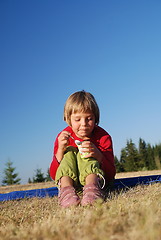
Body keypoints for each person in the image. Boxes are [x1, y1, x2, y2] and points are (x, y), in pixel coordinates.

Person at [49, 90, 116, 207]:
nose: (84, 123)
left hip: (98, 181)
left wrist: (98, 156)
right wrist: (60, 150)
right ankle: (66, 192)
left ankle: (92, 190)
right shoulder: (63, 137)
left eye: (89, 119)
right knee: (69, 153)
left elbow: (111, 174)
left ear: (96, 118)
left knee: (86, 152)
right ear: (68, 119)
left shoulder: (103, 137)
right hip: (73, 184)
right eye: (77, 119)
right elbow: (54, 174)